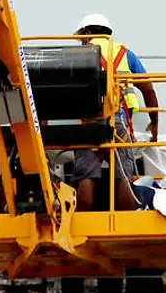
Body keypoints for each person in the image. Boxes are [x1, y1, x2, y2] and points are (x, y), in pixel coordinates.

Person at [67, 12, 160, 211]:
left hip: (88, 124)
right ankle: (125, 226)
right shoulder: (125, 54)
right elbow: (148, 90)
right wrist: (154, 122)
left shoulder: (77, 55)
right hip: (120, 123)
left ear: (88, 32)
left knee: (86, 175)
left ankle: (84, 225)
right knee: (123, 177)